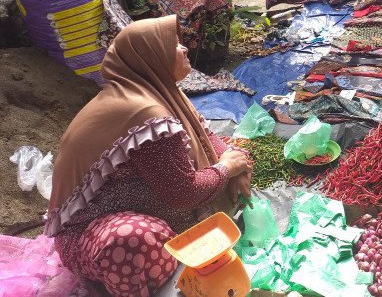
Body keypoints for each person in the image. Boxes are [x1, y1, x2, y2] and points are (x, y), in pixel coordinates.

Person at [45, 16, 253, 296]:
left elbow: (208, 139)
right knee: (133, 242)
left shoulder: (159, 93)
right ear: (149, 57)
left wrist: (235, 164)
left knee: (232, 167)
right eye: (173, 44)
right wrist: (227, 168)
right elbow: (184, 192)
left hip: (140, 205)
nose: (184, 49)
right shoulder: (144, 113)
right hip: (90, 233)